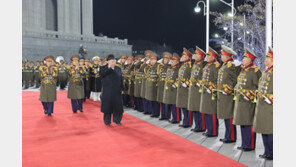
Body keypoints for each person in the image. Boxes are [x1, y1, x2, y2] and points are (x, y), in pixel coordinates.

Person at [233, 48, 262, 151]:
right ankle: (244, 143)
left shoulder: (255, 71)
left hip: (249, 102)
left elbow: (259, 87)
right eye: (243, 58)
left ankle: (250, 145)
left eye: (245, 58)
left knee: (248, 123)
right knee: (242, 123)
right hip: (241, 101)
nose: (243, 60)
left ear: (250, 60)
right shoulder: (243, 70)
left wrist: (250, 95)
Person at [217, 45, 241, 143]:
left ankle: (231, 137)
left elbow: (234, 79)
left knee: (229, 116)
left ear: (227, 57)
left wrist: (229, 88)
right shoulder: (224, 65)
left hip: (228, 95)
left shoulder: (230, 65)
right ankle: (227, 135)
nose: (221, 57)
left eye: (223, 55)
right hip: (223, 94)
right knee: (226, 117)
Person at [253, 47, 273, 160]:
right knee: (263, 130)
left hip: (269, 106)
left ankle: (272, 153)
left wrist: (270, 98)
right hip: (262, 105)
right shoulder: (266, 71)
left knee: (269, 130)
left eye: (268, 58)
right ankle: (266, 151)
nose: (265, 60)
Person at [200, 47, 221, 137]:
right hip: (205, 92)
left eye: (209, 55)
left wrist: (212, 88)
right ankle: (209, 129)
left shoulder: (216, 66)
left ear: (213, 57)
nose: (207, 57)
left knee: (212, 112)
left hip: (211, 93)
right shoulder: (207, 65)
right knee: (207, 112)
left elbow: (218, 80)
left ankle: (213, 131)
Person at [99, 54, 124, 126]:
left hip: (117, 90)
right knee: (107, 107)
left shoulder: (118, 69)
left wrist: (122, 88)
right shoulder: (103, 68)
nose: (114, 63)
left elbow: (121, 79)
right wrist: (108, 68)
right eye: (112, 61)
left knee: (118, 107)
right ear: (108, 62)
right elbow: (101, 75)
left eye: (114, 61)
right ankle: (107, 121)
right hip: (107, 91)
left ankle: (117, 120)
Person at [187, 46, 207, 132]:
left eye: (196, 54)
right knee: (194, 108)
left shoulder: (203, 64)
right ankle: (197, 125)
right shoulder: (195, 64)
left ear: (201, 56)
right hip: (193, 89)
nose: (194, 55)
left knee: (199, 109)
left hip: (198, 90)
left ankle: (201, 127)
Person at [176, 48, 194, 128]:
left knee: (187, 107)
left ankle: (188, 122)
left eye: (184, 55)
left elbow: (192, 77)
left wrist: (187, 84)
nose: (182, 56)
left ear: (188, 57)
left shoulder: (190, 65)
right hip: (181, 89)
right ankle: (185, 121)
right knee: (183, 106)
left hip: (186, 89)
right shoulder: (183, 65)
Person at [163, 53, 181, 123]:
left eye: (173, 61)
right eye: (172, 61)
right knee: (169, 103)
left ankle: (176, 118)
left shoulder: (177, 69)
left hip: (174, 90)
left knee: (174, 105)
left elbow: (179, 79)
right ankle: (171, 117)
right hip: (169, 89)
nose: (172, 62)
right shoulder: (170, 68)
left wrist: (175, 85)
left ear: (177, 62)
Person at [145, 51, 160, 117]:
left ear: (156, 60)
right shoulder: (149, 67)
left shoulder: (158, 66)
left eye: (153, 60)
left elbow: (159, 76)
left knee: (155, 101)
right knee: (151, 100)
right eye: (151, 60)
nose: (152, 61)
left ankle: (156, 113)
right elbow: (145, 73)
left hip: (155, 86)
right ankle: (153, 112)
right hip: (149, 85)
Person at [157, 52, 172, 120]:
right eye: (164, 59)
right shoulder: (160, 66)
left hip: (167, 86)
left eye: (166, 59)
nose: (165, 60)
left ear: (169, 60)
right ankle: (163, 115)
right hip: (161, 85)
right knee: (161, 102)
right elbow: (157, 72)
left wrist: (166, 64)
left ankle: (167, 116)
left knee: (167, 102)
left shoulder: (170, 66)